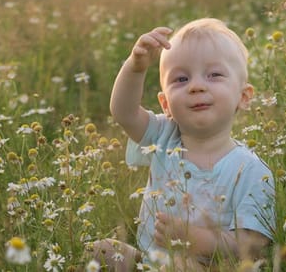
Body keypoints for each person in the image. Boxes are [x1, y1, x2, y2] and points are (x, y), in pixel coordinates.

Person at [93, 18, 275, 270]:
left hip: (206, 266)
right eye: (180, 79)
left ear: (243, 97)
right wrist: (135, 68)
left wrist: (195, 239)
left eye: (214, 75)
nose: (196, 86)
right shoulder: (162, 136)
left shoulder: (250, 170)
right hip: (150, 262)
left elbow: (253, 244)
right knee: (102, 251)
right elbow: (123, 113)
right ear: (166, 104)